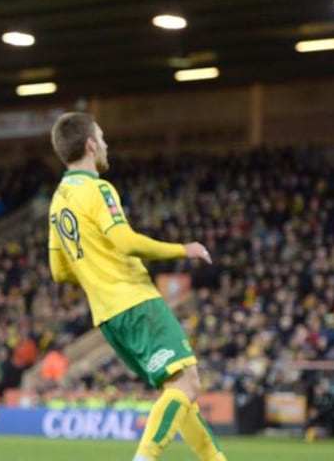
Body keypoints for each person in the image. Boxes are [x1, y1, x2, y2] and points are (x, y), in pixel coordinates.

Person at [46, 112, 226, 461]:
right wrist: (182, 249)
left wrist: (93, 269)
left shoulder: (58, 200)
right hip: (136, 300)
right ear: (90, 144)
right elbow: (125, 241)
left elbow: (59, 270)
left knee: (177, 391)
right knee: (187, 383)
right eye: (103, 136)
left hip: (108, 317)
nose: (106, 143)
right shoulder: (98, 189)